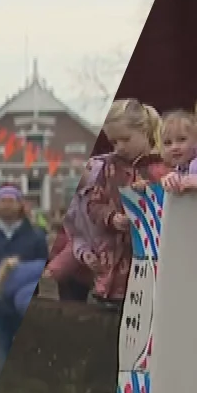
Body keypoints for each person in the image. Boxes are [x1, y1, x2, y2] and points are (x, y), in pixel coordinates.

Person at [52, 100, 166, 306]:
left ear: (145, 131)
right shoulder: (107, 168)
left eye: (125, 139)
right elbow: (93, 204)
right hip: (113, 258)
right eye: (114, 142)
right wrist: (111, 217)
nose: (120, 147)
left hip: (150, 256)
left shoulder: (162, 167)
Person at [0, 185, 49, 364]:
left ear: (20, 205)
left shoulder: (35, 236)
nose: (6, 205)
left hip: (25, 311)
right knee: (3, 360)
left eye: (11, 201)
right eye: (2, 201)